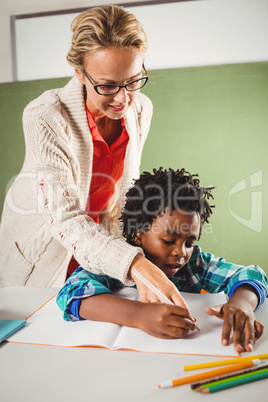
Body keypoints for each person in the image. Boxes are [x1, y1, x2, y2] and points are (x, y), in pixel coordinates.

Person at [0, 5, 186, 307]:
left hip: (100, 254)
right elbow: (66, 218)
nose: (122, 98)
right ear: (79, 73)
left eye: (133, 80)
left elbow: (124, 197)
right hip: (44, 258)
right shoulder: (45, 115)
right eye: (108, 85)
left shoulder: (140, 109)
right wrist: (136, 264)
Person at [57, 167, 268, 352]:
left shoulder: (194, 264)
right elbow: (72, 293)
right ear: (137, 234)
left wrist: (242, 304)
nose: (181, 252)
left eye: (189, 242)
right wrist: (138, 315)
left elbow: (251, 274)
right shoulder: (116, 259)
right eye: (168, 240)